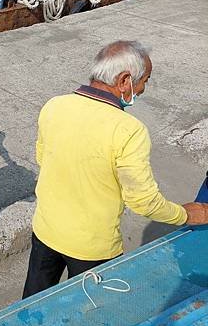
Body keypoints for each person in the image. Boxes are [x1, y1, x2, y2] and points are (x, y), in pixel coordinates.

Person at [22, 40, 208, 298]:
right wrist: (185, 215)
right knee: (90, 310)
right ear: (124, 81)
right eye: (145, 81)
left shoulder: (54, 105)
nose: (142, 89)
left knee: (32, 302)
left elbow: (44, 158)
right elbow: (143, 201)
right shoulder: (129, 130)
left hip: (45, 230)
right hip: (91, 248)